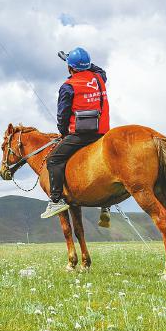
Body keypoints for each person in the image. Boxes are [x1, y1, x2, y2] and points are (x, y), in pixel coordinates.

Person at [42, 47, 110, 218]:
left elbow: (62, 116)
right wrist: (82, 63)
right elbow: (98, 69)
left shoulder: (67, 87)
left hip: (81, 135)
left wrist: (63, 133)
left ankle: (56, 201)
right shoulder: (99, 77)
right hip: (102, 133)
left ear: (69, 67)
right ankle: (106, 204)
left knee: (53, 160)